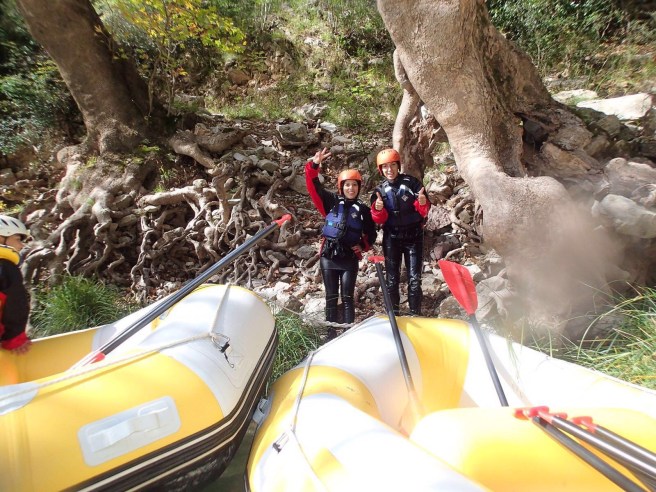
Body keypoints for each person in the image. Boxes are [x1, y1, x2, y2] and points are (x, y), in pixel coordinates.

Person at [306, 148, 377, 338]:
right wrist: (314, 165)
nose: (351, 188)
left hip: (349, 257)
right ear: (341, 186)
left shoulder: (363, 210)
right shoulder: (331, 201)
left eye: (354, 185)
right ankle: (330, 334)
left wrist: (363, 246)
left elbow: (371, 233)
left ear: (359, 187)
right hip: (329, 255)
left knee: (347, 297)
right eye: (347, 185)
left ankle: (348, 334)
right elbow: (313, 186)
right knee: (331, 297)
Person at [370, 148, 430, 316]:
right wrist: (378, 209)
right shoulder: (379, 191)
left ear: (398, 166)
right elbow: (378, 219)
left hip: (414, 236)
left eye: (393, 165)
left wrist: (422, 203)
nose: (389, 169)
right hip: (392, 237)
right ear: (381, 169)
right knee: (391, 279)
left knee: (414, 279)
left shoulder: (412, 183)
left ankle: (415, 313)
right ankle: (393, 315)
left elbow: (424, 211)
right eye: (385, 166)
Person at [0, 215, 32, 354]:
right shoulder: (5, 267)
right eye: (18, 239)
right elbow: (15, 302)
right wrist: (15, 338)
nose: (21, 245)